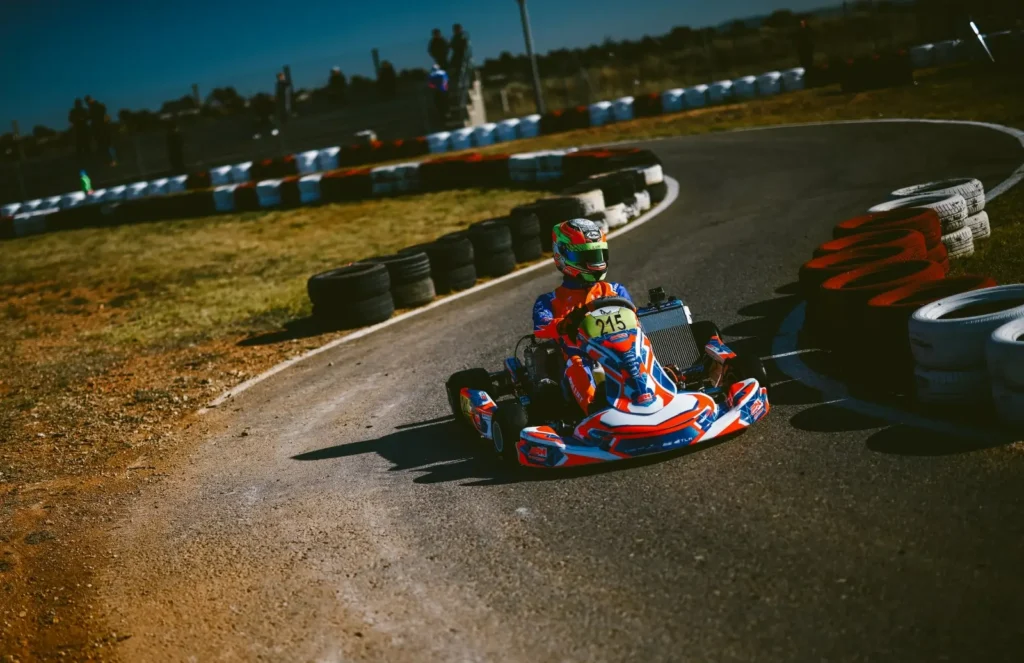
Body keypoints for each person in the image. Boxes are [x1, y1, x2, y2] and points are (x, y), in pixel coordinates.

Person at [533, 219, 632, 415]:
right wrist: (565, 324)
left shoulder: (615, 291)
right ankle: (597, 411)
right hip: (579, 361)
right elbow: (541, 326)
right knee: (577, 364)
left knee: (638, 351)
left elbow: (634, 321)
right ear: (563, 255)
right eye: (587, 256)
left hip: (620, 354)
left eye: (597, 255)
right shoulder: (550, 301)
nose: (595, 262)